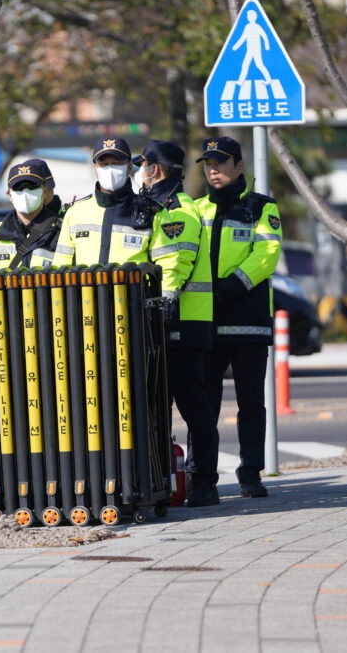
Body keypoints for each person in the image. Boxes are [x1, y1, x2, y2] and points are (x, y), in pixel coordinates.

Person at [189, 136, 282, 501]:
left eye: (221, 163)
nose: (214, 170)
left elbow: (267, 253)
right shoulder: (196, 210)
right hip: (205, 324)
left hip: (247, 322)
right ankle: (203, 479)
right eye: (209, 164)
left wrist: (228, 287)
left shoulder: (262, 208)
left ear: (239, 166)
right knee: (203, 406)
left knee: (250, 404)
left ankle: (250, 474)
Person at [129, 141, 210, 505]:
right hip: (165, 321)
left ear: (156, 170)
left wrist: (166, 301)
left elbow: (174, 263)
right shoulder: (155, 206)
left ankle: (204, 482)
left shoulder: (178, 210)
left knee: (193, 407)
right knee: (160, 408)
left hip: (182, 322)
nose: (138, 172)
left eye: (142, 165)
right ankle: (169, 480)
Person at [53, 137, 154, 266]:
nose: (110, 169)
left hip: (135, 287)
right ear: (95, 167)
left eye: (116, 163)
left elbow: (167, 264)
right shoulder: (75, 214)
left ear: (129, 166)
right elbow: (61, 267)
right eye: (104, 164)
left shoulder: (150, 211)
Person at [0, 158, 63, 270]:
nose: (25, 192)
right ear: (9, 195)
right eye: (18, 187)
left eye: (32, 186)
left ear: (45, 191)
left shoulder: (61, 231)